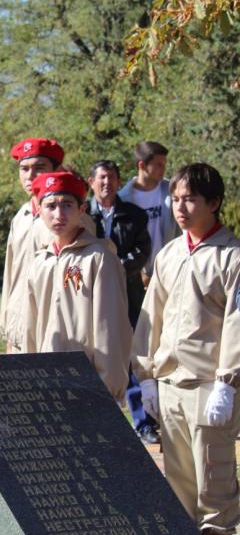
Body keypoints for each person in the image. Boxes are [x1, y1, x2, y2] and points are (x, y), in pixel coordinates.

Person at [133, 163, 240, 534]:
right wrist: (146, 376)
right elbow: (151, 318)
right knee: (177, 483)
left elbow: (236, 322)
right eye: (175, 199)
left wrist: (228, 382)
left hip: (210, 387)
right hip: (171, 385)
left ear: (214, 202)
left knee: (214, 487)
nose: (180, 208)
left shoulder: (232, 257)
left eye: (190, 200)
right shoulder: (170, 254)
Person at [23, 171, 131, 399]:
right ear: (39, 210)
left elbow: (110, 327)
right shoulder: (40, 261)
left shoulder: (98, 257)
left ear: (82, 209)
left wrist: (108, 388)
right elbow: (30, 327)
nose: (58, 214)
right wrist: (28, 375)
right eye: (50, 206)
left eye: (67, 205)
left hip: (87, 381)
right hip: (45, 378)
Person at [0, 138, 93, 353]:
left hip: (52, 332)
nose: (30, 175)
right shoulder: (21, 217)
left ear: (56, 169)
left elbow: (78, 282)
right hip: (19, 330)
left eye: (39, 167)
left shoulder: (70, 218)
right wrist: (8, 327)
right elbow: (11, 275)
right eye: (24, 168)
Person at [87, 159, 157, 443]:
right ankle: (97, 421)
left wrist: (115, 266)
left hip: (127, 293)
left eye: (112, 178)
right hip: (90, 300)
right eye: (101, 178)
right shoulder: (82, 215)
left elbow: (143, 250)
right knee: (95, 355)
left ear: (119, 182)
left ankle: (143, 423)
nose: (107, 183)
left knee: (133, 356)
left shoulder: (135, 215)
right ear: (91, 182)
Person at [118, 141, 178, 282]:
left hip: (169, 270)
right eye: (158, 165)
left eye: (164, 164)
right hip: (135, 276)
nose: (163, 169)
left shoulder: (173, 192)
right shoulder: (123, 199)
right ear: (142, 165)